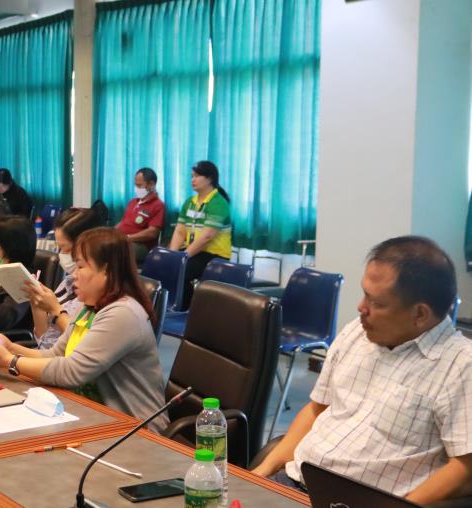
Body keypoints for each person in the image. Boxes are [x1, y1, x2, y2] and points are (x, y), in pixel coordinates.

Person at [252, 236, 472, 505]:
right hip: (295, 483)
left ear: (420, 314)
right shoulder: (357, 332)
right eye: (364, 293)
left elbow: (465, 470)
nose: (361, 307)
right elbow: (316, 409)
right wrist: (262, 473)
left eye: (376, 302)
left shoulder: (460, 366)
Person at [0, 228, 168, 432]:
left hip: (135, 429)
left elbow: (71, 371)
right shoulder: (89, 308)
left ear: (107, 271)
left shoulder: (123, 313)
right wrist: (9, 347)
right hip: (95, 416)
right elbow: (55, 355)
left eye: (81, 267)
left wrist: (9, 361)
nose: (73, 275)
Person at [23, 208, 103, 350]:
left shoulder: (100, 296)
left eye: (66, 249)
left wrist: (55, 309)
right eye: (59, 248)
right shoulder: (68, 282)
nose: (61, 254)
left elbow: (82, 345)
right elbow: (44, 340)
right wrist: (37, 302)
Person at [168, 161, 231, 310]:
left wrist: (183, 257)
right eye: (192, 176)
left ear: (209, 179)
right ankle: (168, 307)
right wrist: (172, 255)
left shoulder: (218, 203)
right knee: (167, 265)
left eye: (197, 176)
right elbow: (179, 231)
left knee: (182, 270)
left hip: (214, 255)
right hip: (194, 251)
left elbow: (207, 237)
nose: (193, 180)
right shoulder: (189, 202)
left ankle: (182, 310)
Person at [115, 167, 165, 263]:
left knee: (114, 249)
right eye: (135, 185)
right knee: (100, 243)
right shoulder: (133, 202)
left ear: (151, 185)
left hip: (141, 245)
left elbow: (152, 233)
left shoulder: (158, 205)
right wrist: (110, 233)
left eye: (139, 185)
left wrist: (127, 238)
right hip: (123, 240)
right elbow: (123, 223)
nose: (136, 188)